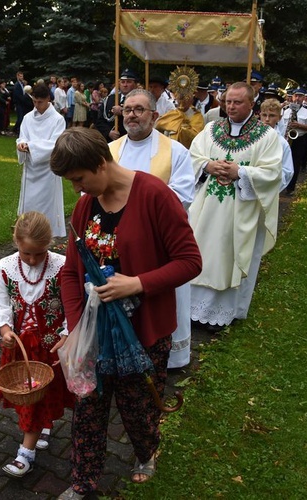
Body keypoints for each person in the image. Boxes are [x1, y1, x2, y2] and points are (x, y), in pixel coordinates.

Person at [50, 128, 201, 498]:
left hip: (144, 328)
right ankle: (83, 481)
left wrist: (136, 284)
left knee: (138, 405)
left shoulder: (154, 196)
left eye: (79, 179)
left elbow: (190, 262)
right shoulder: (87, 205)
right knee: (88, 406)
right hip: (96, 330)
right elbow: (70, 272)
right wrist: (75, 329)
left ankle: (146, 451)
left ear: (101, 163)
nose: (76, 190)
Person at [108, 89, 195, 369]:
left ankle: (166, 355)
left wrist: (137, 213)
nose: (131, 115)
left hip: (159, 241)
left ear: (155, 116)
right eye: (128, 109)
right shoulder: (111, 150)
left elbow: (181, 195)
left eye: (139, 109)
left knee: (159, 296)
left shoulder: (175, 152)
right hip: (116, 239)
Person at [189, 82, 282, 331]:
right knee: (199, 251)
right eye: (227, 101)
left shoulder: (267, 136)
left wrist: (239, 171)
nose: (230, 106)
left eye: (237, 102)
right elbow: (193, 156)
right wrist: (208, 167)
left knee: (228, 254)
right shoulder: (210, 130)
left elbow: (273, 174)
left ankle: (220, 314)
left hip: (239, 211)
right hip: (206, 210)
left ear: (252, 103)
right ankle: (191, 308)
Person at [0, 212, 75, 478]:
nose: (33, 260)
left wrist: (67, 332)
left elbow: (74, 305)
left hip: (49, 349)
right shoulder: (6, 268)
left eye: (39, 253)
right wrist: (4, 327)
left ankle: (25, 453)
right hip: (20, 348)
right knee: (30, 397)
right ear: (16, 243)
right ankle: (42, 426)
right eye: (26, 254)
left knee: (41, 394)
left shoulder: (61, 267)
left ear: (49, 244)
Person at [16, 83, 67, 238]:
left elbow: (55, 144)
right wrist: (21, 144)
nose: (36, 105)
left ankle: (46, 235)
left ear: (48, 100)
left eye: (40, 102)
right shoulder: (27, 118)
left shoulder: (58, 119)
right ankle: (28, 233)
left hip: (48, 171)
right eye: (34, 102)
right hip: (30, 169)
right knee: (29, 205)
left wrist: (31, 147)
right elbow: (22, 136)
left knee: (46, 206)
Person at [259, 99, 295, 192]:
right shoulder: (250, 137)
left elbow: (287, 171)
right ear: (260, 115)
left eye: (272, 116)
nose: (267, 119)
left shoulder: (282, 143)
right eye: (264, 115)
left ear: (279, 118)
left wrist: (271, 188)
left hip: (269, 189)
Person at [104, 69, 140, 140]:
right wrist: (108, 132)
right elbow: (99, 120)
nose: (125, 85)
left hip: (131, 138)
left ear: (135, 84)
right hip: (111, 140)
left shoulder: (140, 100)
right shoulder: (110, 98)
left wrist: (123, 111)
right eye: (122, 82)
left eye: (129, 82)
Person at [13, 71, 28, 135]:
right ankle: (15, 129)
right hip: (19, 103)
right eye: (20, 76)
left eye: (22, 76)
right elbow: (18, 95)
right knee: (20, 118)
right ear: (17, 76)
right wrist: (23, 99)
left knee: (22, 117)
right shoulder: (17, 85)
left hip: (22, 104)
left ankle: (18, 129)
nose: (21, 77)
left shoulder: (22, 84)